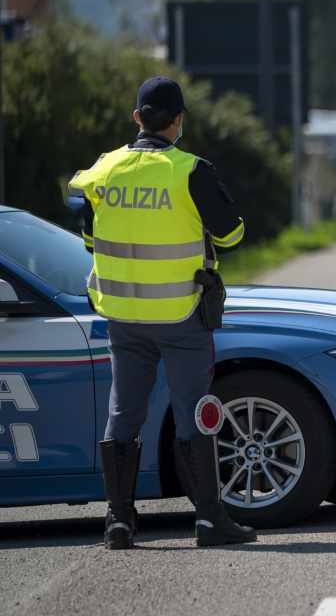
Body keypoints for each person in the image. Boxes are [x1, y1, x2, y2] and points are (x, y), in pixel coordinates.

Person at [68, 76, 256, 550]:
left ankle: (118, 521)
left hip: (123, 316)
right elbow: (232, 235)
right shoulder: (190, 170)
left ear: (136, 118)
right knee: (196, 411)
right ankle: (210, 519)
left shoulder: (104, 170)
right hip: (180, 314)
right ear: (179, 120)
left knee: (124, 412)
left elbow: (91, 240)